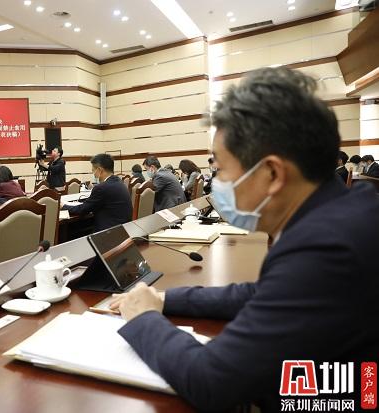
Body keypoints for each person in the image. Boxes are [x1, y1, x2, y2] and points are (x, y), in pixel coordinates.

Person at [109, 67, 379, 412]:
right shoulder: (344, 212)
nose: (217, 182)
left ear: (272, 173)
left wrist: (143, 318)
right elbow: (260, 294)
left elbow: (213, 381)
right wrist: (163, 299)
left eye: (221, 168)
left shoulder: (324, 249)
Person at [62, 154, 132, 233]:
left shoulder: (101, 188)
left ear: (99, 170)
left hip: (108, 233)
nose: (94, 174)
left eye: (93, 171)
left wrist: (63, 206)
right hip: (123, 230)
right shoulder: (119, 182)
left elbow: (83, 209)